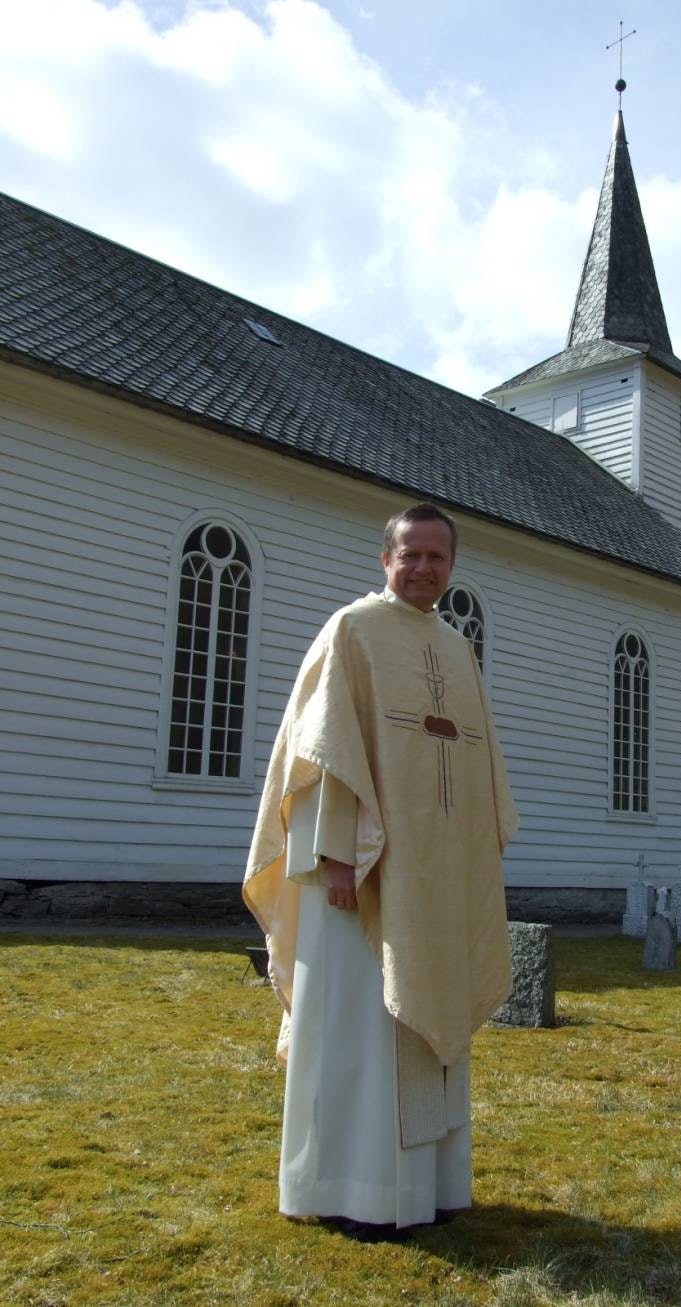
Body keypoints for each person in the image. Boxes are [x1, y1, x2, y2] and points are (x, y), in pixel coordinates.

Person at [243, 502, 517, 1238]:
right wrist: (335, 855)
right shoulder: (353, 631)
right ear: (385, 558)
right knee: (361, 1032)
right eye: (410, 554)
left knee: (430, 1029)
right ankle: (353, 1189)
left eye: (438, 556)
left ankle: (431, 1187)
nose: (424, 567)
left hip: (440, 877)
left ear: (452, 566)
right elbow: (326, 749)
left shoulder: (457, 650)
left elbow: (479, 764)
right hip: (364, 871)